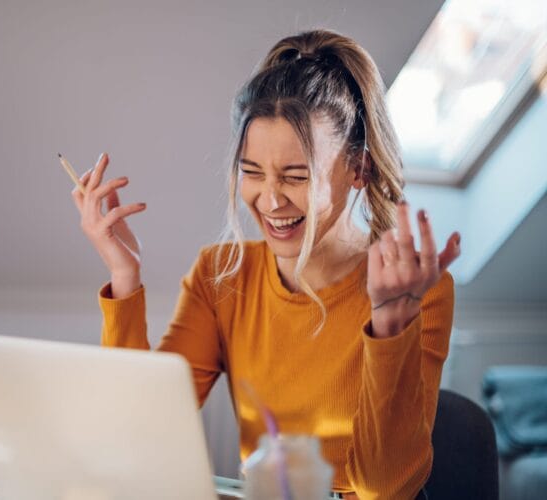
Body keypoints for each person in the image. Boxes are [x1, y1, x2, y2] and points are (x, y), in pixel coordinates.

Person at [70, 29, 461, 500]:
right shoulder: (221, 277)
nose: (270, 199)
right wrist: (124, 277)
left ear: (359, 168)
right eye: (251, 172)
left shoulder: (420, 290)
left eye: (296, 176)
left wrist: (391, 328)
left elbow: (386, 488)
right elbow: (135, 433)